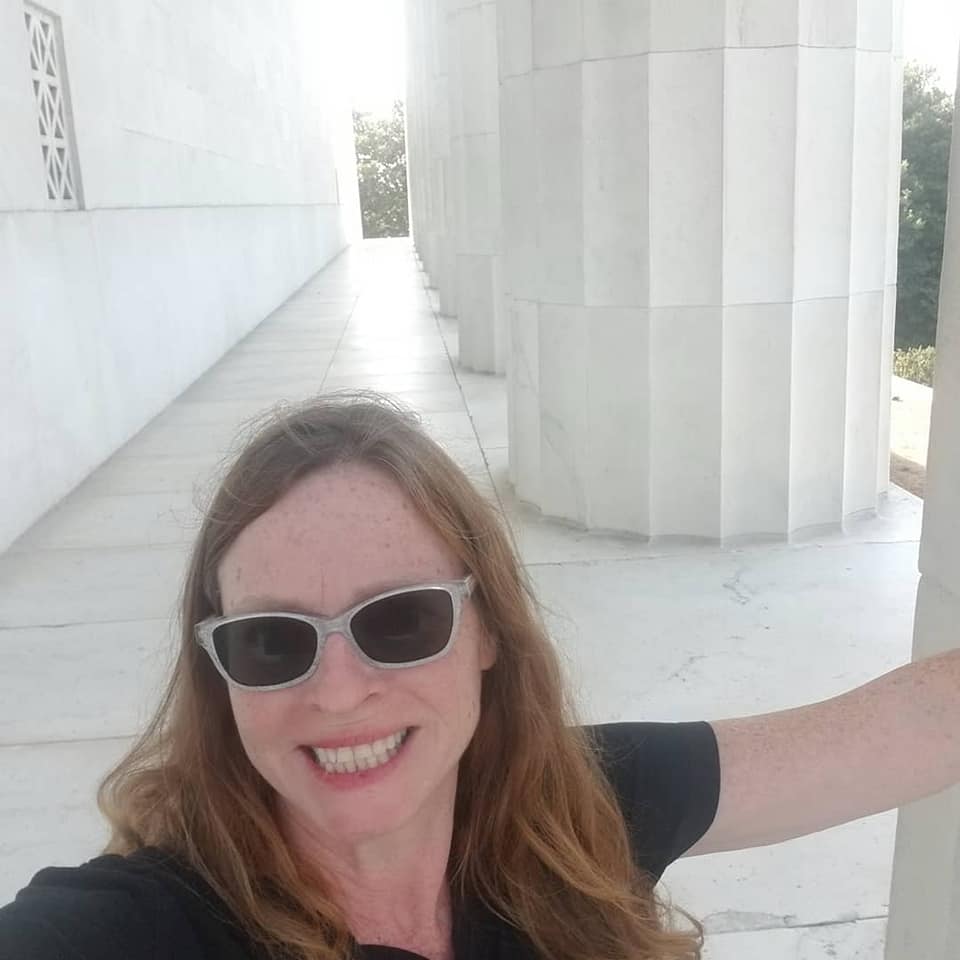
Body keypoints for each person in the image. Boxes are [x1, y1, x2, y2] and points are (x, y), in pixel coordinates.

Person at [0, 393, 957, 960]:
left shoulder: (580, 811)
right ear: (218, 671)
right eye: (271, 642)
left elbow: (917, 725)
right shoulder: (142, 925)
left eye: (401, 620)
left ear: (488, 629)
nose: (339, 692)